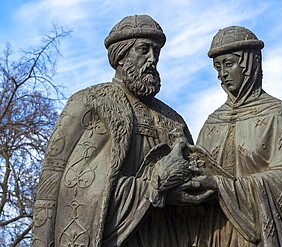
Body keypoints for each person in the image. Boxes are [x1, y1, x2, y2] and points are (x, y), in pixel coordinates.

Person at [31, 15, 194, 246]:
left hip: (162, 235)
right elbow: (54, 180)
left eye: (156, 52)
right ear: (121, 56)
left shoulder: (173, 120)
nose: (152, 59)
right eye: (144, 50)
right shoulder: (88, 101)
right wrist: (152, 187)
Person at [186, 26, 282, 246]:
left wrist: (224, 186)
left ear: (249, 63)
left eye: (228, 64)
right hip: (215, 234)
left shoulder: (279, 114)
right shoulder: (211, 123)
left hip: (259, 234)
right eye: (217, 67)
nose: (222, 74)